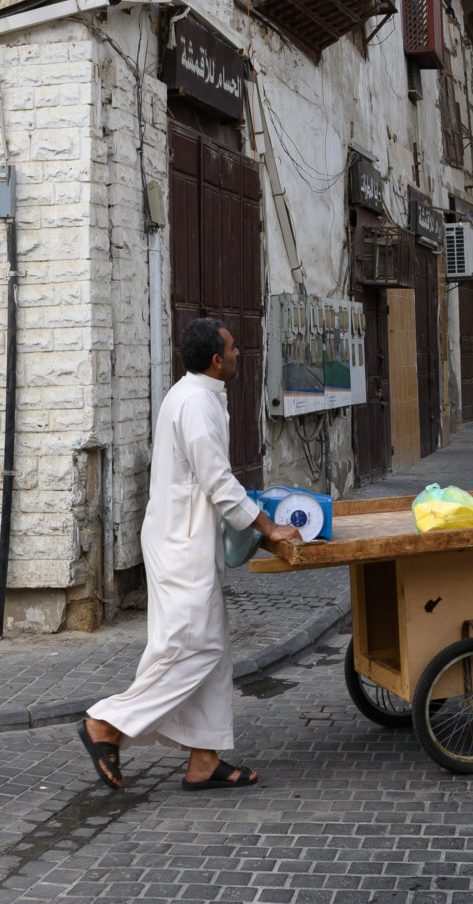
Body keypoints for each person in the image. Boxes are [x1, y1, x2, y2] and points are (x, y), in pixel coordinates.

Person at [79, 318, 302, 791]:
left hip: (186, 539)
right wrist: (268, 528)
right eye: (234, 348)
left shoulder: (196, 394)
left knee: (211, 650)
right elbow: (218, 482)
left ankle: (204, 759)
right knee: (191, 648)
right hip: (181, 544)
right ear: (217, 360)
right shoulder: (196, 401)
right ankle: (108, 723)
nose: (240, 353)